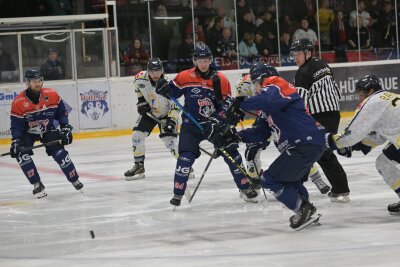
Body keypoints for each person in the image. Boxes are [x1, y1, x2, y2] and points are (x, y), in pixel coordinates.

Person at [156, 43, 258, 207]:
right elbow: (172, 93)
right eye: (200, 60)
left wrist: (217, 121)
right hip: (191, 125)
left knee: (233, 154)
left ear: (210, 60)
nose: (203, 63)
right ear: (195, 60)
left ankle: (245, 188)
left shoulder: (220, 79)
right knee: (185, 158)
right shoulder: (184, 76)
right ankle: (178, 192)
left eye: (206, 60)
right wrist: (163, 88)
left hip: (214, 125)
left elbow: (226, 105)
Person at [234, 63, 325, 229]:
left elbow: (266, 99)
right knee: (292, 182)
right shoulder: (269, 105)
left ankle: (303, 210)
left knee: (269, 179)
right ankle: (307, 211)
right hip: (307, 144)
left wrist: (240, 103)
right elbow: (260, 133)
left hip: (303, 143)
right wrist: (236, 136)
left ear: (262, 79)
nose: (254, 88)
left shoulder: (276, 83)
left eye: (254, 83)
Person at [325, 75, 400, 215]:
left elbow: (352, 133)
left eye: (361, 94)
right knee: (383, 162)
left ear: (370, 91)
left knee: (383, 163)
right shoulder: (389, 98)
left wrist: (331, 141)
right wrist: (352, 146)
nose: (360, 98)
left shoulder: (372, 101)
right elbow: (379, 136)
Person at [290, 38, 350, 202]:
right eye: (294, 54)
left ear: (308, 53)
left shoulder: (302, 72)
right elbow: (335, 91)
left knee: (319, 152)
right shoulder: (323, 65)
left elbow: (300, 101)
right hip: (334, 114)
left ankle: (340, 189)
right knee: (324, 152)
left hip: (319, 117)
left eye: (298, 54)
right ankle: (341, 189)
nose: (295, 57)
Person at [9, 70, 82, 198]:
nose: (38, 84)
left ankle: (74, 178)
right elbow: (17, 126)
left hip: (48, 129)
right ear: (27, 83)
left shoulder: (52, 94)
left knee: (60, 152)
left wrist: (65, 128)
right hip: (28, 133)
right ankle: (37, 183)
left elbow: (62, 113)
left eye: (39, 80)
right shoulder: (18, 102)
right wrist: (16, 140)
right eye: (34, 81)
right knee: (21, 154)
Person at [124, 58, 187, 180]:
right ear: (147, 71)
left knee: (170, 142)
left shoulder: (168, 85)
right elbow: (138, 89)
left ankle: (185, 167)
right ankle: (139, 165)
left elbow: (176, 106)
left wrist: (171, 121)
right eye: (152, 71)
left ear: (162, 70)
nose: (155, 74)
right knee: (137, 134)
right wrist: (141, 102)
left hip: (166, 115)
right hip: (150, 113)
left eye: (158, 71)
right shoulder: (139, 78)